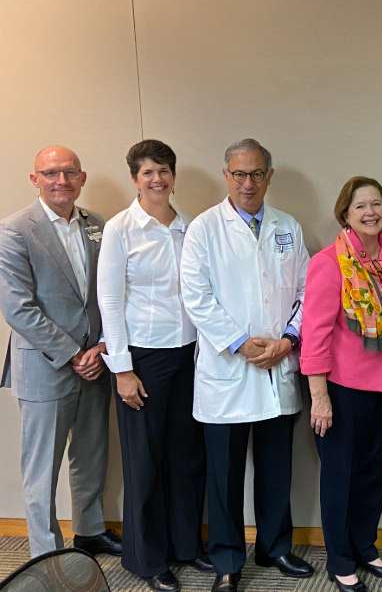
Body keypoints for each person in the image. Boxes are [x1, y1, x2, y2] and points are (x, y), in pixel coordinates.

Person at [180, 139, 313, 592]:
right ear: (226, 176)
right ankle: (227, 559)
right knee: (225, 474)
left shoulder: (288, 227)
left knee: (277, 468)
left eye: (256, 174)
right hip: (228, 371)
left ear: (269, 176)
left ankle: (275, 547)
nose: (248, 183)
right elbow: (196, 297)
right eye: (239, 174)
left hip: (279, 364)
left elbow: (305, 292)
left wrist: (288, 340)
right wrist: (240, 344)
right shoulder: (203, 229)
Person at [97, 140, 211, 591]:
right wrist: (121, 369)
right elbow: (110, 299)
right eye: (147, 173)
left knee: (186, 457)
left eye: (163, 171)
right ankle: (147, 559)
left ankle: (186, 546)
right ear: (134, 179)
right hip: (142, 358)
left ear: (174, 175)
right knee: (145, 462)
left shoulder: (187, 227)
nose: (157, 179)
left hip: (189, 356)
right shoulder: (121, 228)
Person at [0, 146, 122, 559]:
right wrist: (73, 354)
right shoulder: (14, 230)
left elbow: (110, 292)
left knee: (90, 455)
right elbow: (19, 307)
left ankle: (89, 530)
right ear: (34, 179)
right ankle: (45, 554)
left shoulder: (98, 226)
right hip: (47, 366)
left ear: (82, 178)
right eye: (50, 173)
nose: (61, 181)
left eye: (69, 172)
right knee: (42, 469)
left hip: (95, 361)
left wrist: (102, 346)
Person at [300, 176, 382, 592]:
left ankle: (365, 544)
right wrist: (319, 396)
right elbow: (314, 334)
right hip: (342, 389)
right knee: (340, 475)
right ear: (345, 213)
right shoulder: (328, 263)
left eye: (377, 204)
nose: (371, 212)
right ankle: (340, 558)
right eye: (360, 205)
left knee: (377, 471)